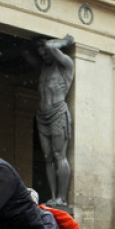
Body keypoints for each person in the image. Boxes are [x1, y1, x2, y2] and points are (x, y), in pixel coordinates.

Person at [30, 35, 75, 206]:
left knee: (59, 155)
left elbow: (51, 47)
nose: (44, 53)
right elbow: (26, 52)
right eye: (40, 51)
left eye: (45, 49)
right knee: (48, 157)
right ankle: (54, 195)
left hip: (58, 113)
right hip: (42, 115)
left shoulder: (66, 65)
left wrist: (65, 41)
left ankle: (62, 198)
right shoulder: (44, 68)